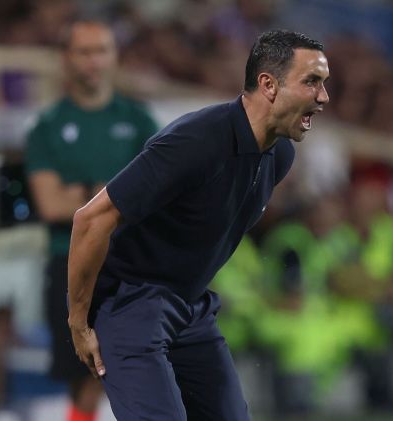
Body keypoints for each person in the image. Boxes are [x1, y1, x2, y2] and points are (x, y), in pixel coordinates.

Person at [68, 30, 330, 420]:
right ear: (268, 85)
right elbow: (91, 218)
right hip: (131, 304)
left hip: (190, 308)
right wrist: (78, 322)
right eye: (312, 82)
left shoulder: (279, 157)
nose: (323, 97)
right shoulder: (197, 141)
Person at [25, 20, 158, 421]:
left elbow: (156, 195)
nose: (94, 61)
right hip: (67, 263)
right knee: (80, 371)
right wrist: (117, 192)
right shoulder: (46, 128)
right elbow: (49, 204)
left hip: (129, 262)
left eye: (102, 50)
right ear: (65, 60)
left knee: (119, 370)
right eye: (84, 51)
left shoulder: (139, 122)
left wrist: (82, 194)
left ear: (115, 58)